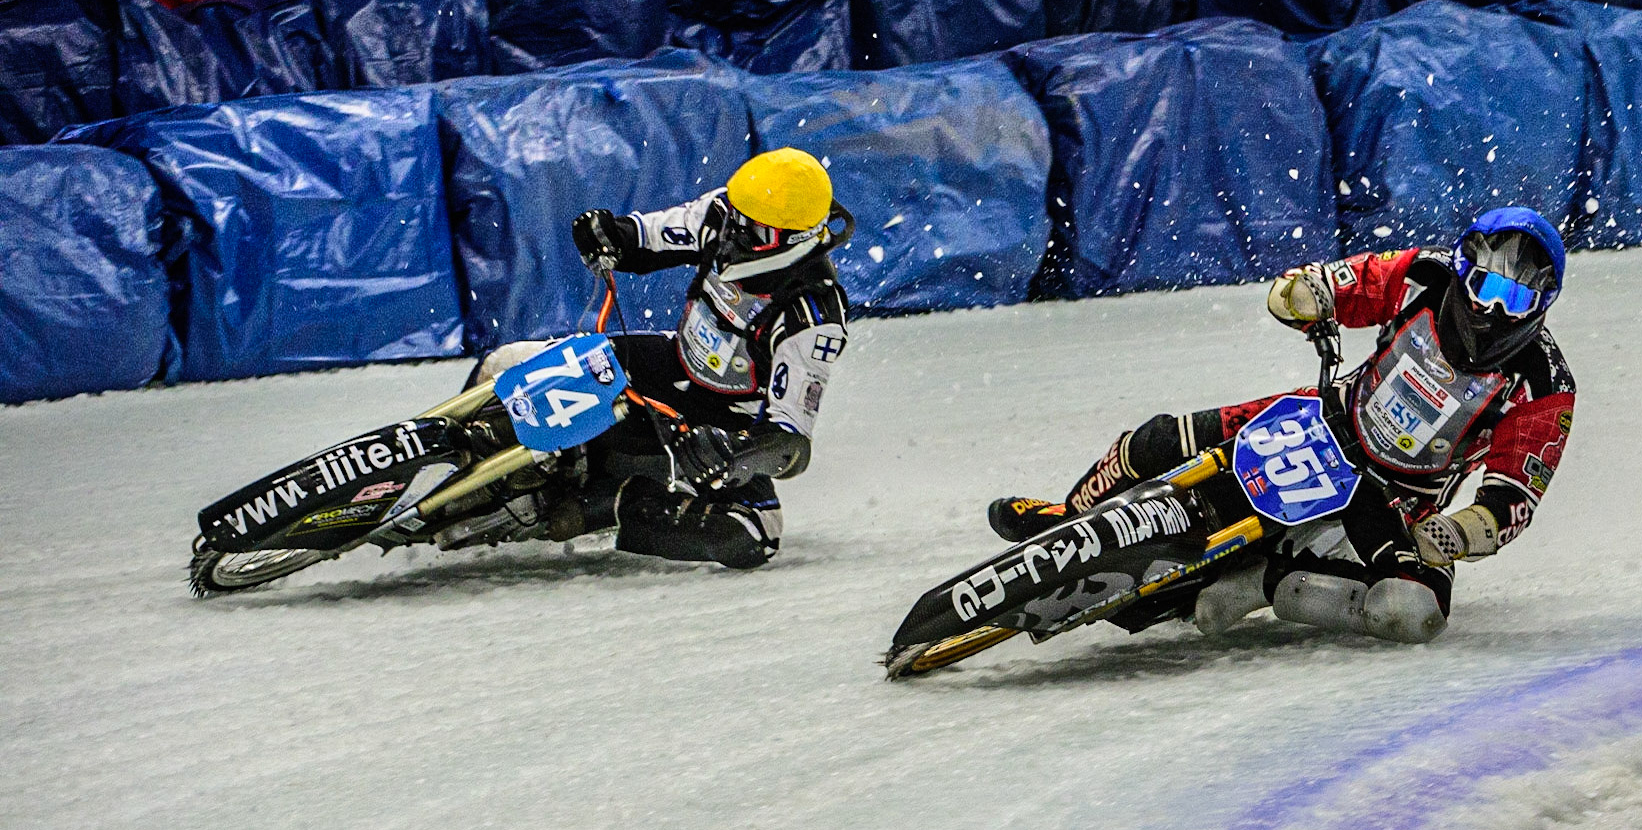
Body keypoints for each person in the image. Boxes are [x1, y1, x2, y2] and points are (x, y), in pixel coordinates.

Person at [989, 207, 1576, 644]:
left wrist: (1456, 534)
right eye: (1486, 285)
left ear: (1543, 304)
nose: (1492, 310)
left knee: (1411, 611)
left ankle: (1270, 581)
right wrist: (1305, 294)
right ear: (1461, 269)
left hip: (1393, 497)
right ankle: (1069, 519)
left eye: (1515, 299)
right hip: (1322, 418)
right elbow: (1342, 284)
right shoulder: (1422, 274)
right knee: (1156, 441)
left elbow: (1514, 498)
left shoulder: (1546, 383)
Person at [471, 147, 853, 569]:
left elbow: (791, 444)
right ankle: (466, 438)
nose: (734, 233)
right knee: (508, 359)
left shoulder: (813, 315)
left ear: (793, 239)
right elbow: (649, 236)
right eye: (737, 213)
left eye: (753, 229)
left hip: (720, 425)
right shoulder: (723, 214)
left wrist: (736, 453)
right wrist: (606, 232)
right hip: (669, 362)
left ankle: (611, 504)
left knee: (752, 537)